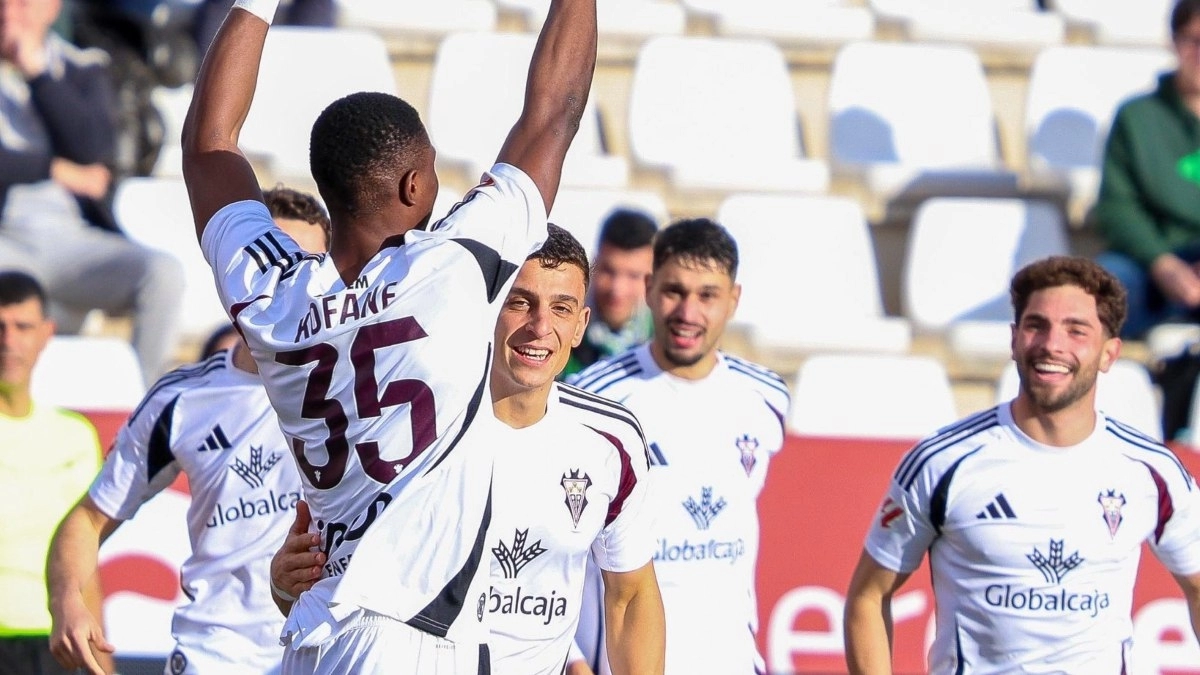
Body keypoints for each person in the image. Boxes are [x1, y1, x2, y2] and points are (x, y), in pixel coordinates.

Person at [180, 0, 596, 670]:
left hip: (315, 632)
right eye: (432, 169)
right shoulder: (454, 267)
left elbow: (208, 146)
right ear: (412, 183)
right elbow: (555, 111)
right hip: (407, 637)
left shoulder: (272, 295)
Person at [271, 225, 667, 675]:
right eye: (520, 302)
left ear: (581, 325)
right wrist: (285, 585)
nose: (540, 327)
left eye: (562, 308)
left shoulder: (611, 439)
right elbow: (328, 601)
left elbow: (630, 595)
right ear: (489, 308)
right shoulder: (410, 425)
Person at [844, 256, 1200, 673]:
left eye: (1076, 330)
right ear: (1014, 339)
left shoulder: (1150, 470)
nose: (1052, 344)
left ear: (1109, 353)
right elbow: (868, 597)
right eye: (1036, 325)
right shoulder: (943, 462)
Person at [44, 188, 329, 675]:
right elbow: (88, 520)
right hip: (217, 655)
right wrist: (67, 601)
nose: (290, 285)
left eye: (308, 267)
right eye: (276, 265)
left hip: (326, 650)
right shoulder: (182, 398)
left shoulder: (363, 385)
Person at [568, 219, 791, 675]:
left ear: (734, 300)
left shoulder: (767, 398)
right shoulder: (591, 400)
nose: (688, 312)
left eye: (707, 295)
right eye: (674, 291)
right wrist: (573, 661)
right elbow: (549, 543)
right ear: (649, 290)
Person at [0, 0, 184, 385]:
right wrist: (53, 169)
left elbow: (93, 148)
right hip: (7, 239)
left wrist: (37, 73)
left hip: (72, 240)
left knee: (163, 275)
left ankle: (141, 407)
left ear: (52, 8)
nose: (9, 10)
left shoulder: (83, 67)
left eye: (22, 2)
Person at [0, 270, 109, 675]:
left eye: (22, 327)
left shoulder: (76, 435)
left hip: (56, 645)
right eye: (0, 326)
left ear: (47, 333)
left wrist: (104, 663)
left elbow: (86, 561)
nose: (8, 340)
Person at [1094, 0, 1200, 339]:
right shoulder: (1137, 117)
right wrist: (1162, 263)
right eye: (1192, 40)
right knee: (1103, 288)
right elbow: (1117, 206)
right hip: (1152, 264)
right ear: (1173, 41)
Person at [562, 208, 657, 379]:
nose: (617, 290)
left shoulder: (664, 337)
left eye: (633, 276)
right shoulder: (563, 324)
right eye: (608, 271)